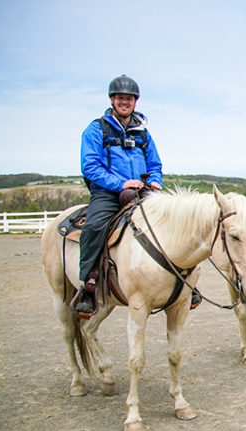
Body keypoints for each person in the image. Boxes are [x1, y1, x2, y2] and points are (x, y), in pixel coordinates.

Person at [74, 74, 164, 317]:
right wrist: (121, 183)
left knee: (172, 223)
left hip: (142, 191)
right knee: (94, 227)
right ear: (112, 99)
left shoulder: (143, 132)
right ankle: (88, 286)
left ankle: (184, 284)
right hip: (108, 193)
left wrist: (155, 181)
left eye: (129, 98)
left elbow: (154, 163)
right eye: (120, 98)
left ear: (135, 101)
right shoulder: (96, 129)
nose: (125, 102)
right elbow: (90, 166)